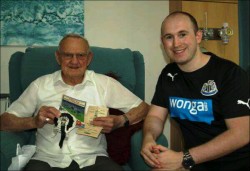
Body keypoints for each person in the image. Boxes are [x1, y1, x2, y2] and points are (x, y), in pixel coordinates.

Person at [0, 34, 149, 171]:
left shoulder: (105, 84)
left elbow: (144, 108)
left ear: (89, 58)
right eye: (68, 55)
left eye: (81, 55)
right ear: (58, 57)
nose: (74, 61)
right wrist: (34, 121)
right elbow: (4, 121)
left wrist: (121, 121)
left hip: (93, 159)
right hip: (47, 160)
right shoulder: (40, 85)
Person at [141, 11, 250, 171]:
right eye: (169, 37)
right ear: (162, 42)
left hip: (235, 164)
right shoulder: (168, 74)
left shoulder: (229, 73)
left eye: (183, 34)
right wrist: (148, 138)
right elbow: (155, 116)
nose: (176, 44)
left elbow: (242, 133)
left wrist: (183, 158)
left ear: (198, 36)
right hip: (195, 162)